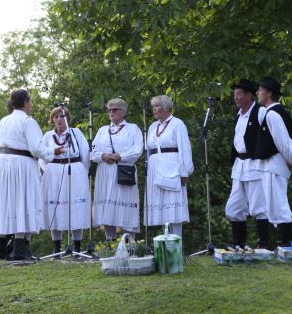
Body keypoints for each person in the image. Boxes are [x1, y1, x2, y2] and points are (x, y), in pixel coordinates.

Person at [0, 89, 66, 260]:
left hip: (3, 165)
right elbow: (36, 148)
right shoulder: (27, 121)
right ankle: (19, 248)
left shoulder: (4, 121)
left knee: (6, 202)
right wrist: (52, 152)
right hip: (21, 165)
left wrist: (0, 166)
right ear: (25, 102)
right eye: (29, 101)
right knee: (23, 201)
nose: (30, 105)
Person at [254, 77, 292, 247]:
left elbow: (284, 142)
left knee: (279, 206)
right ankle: (283, 244)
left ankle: (284, 244)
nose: (257, 93)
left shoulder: (273, 114)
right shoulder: (276, 112)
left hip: (274, 165)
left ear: (269, 93)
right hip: (272, 165)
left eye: (260, 90)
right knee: (274, 206)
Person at [91, 98, 143, 244]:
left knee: (126, 207)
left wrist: (121, 156)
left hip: (124, 171)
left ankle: (130, 246)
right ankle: (110, 244)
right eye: (109, 110)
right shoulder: (102, 131)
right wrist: (102, 156)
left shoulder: (133, 129)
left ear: (123, 112)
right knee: (107, 209)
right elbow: (92, 150)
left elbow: (138, 150)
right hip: (105, 173)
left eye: (115, 109)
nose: (111, 112)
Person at [40, 106, 91, 257]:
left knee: (75, 207)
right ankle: (56, 248)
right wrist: (47, 170)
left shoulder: (75, 133)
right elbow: (41, 156)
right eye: (55, 117)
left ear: (67, 118)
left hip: (74, 171)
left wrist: (82, 171)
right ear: (52, 119)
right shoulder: (48, 136)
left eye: (62, 116)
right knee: (55, 208)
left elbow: (85, 154)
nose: (59, 119)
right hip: (53, 174)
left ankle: (77, 247)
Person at [224, 79, 269, 249]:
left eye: (239, 94)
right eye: (234, 95)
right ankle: (239, 243)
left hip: (255, 164)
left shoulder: (260, 112)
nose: (235, 98)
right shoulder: (239, 115)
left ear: (249, 96)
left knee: (259, 205)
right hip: (240, 165)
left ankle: (263, 244)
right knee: (234, 206)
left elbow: (271, 135)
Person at [145, 95, 194, 237]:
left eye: (157, 106)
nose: (154, 109)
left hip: (172, 169)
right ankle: (165, 241)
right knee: (160, 206)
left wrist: (185, 172)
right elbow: (148, 150)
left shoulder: (177, 124)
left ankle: (176, 241)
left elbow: (185, 148)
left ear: (166, 107)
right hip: (155, 169)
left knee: (173, 205)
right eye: (153, 106)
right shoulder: (153, 127)